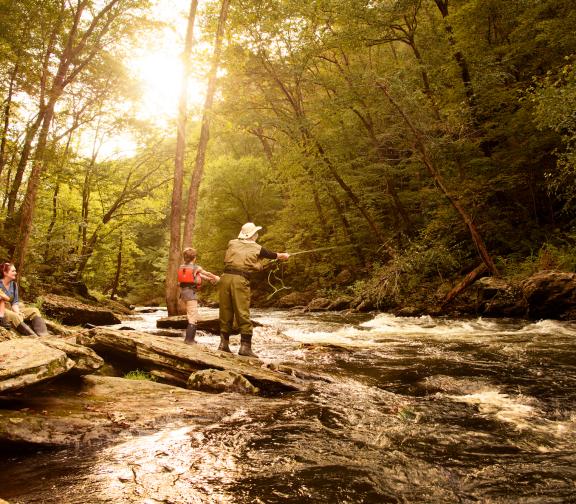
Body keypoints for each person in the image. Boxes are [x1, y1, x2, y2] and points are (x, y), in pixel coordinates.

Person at [218, 222, 290, 357]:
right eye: (256, 233)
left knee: (225, 310)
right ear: (252, 235)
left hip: (225, 278)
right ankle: (245, 347)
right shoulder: (258, 248)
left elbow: (243, 256)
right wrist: (283, 256)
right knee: (242, 312)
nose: (257, 235)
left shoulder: (232, 243)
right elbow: (274, 255)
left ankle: (223, 344)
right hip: (240, 280)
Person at [179, 248, 220, 344]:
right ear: (194, 258)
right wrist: (215, 277)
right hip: (190, 294)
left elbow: (198, 276)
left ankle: (191, 339)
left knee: (191, 315)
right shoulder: (195, 267)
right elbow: (206, 273)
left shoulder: (183, 266)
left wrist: (208, 279)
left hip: (183, 294)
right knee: (193, 317)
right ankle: (189, 340)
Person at [0, 262, 49, 336]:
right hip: (2, 310)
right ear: (5, 272)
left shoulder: (14, 285)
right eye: (13, 271)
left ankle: (44, 335)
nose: (15, 273)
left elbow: (15, 302)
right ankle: (33, 337)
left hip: (11, 308)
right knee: (15, 317)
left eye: (15, 271)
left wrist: (17, 312)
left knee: (34, 311)